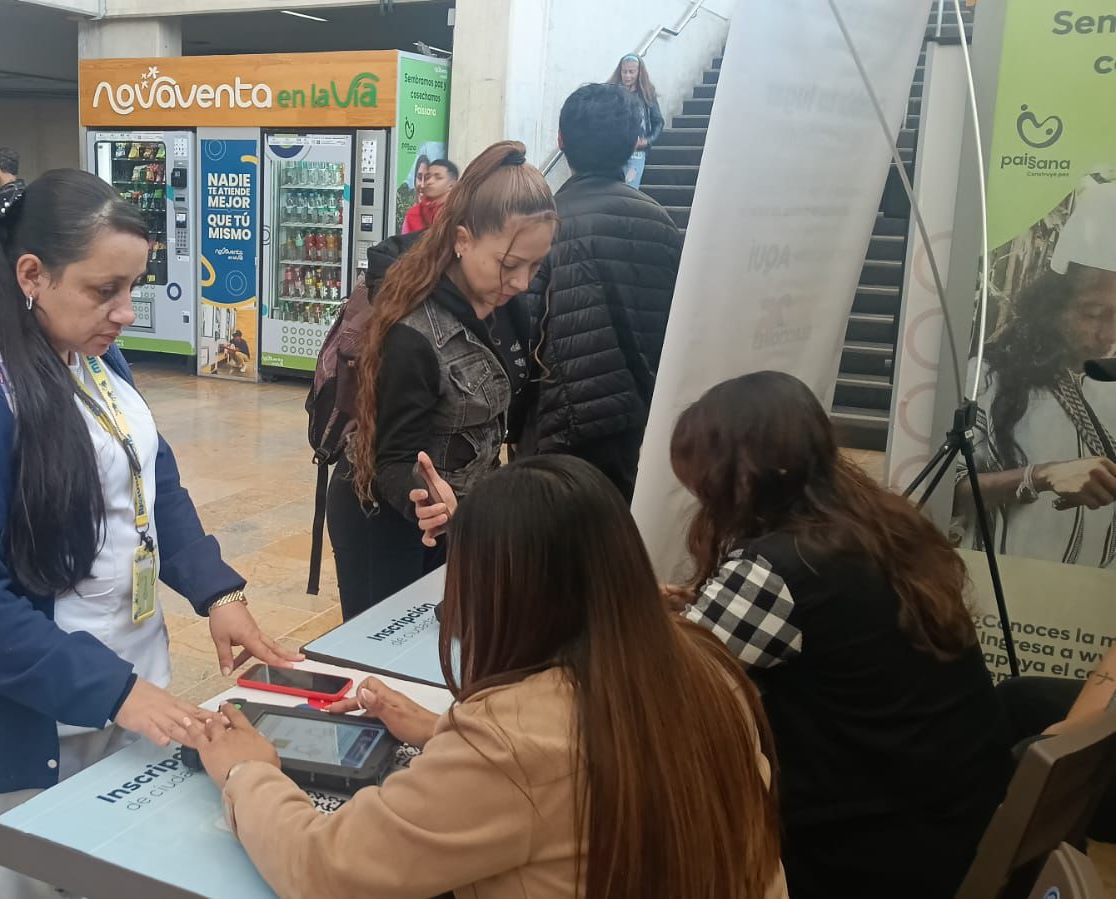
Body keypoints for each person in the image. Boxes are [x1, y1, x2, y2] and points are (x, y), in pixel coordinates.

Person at [0, 171, 299, 899]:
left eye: (133, 288)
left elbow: (149, 477)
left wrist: (215, 589)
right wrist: (113, 690)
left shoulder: (83, 349)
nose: (124, 312)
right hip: (25, 715)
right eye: (103, 289)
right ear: (32, 274)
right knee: (13, 882)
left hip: (120, 688)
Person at [187, 456, 785, 899]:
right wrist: (440, 728)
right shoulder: (704, 665)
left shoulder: (510, 742)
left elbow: (327, 869)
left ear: (500, 595)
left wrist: (248, 771)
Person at [672, 371, 1013, 899]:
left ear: (746, 468)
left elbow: (663, 687)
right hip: (962, 816)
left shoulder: (778, 567)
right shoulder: (878, 523)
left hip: (869, 851)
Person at [327, 141, 555, 619]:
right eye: (510, 265)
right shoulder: (411, 333)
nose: (522, 283)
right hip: (387, 519)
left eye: (535, 266)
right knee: (385, 661)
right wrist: (425, 501)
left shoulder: (511, 306)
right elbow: (389, 458)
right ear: (462, 239)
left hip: (462, 517)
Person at [521, 82, 682, 499]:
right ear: (633, 144)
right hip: (634, 429)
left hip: (555, 429)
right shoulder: (661, 223)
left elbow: (524, 327)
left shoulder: (543, 224)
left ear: (561, 141)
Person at [954, 178, 1116, 567]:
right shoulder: (989, 377)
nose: (1109, 335)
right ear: (1053, 306)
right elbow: (947, 490)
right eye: (1094, 314)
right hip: (1008, 602)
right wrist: (1038, 477)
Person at [607, 54, 663, 188]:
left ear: (639, 73)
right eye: (624, 71)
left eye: (631, 72)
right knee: (612, 190)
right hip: (614, 151)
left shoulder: (647, 93)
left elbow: (658, 121)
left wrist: (647, 140)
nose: (627, 76)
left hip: (636, 152)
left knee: (630, 189)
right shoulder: (612, 93)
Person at [403, 159, 460, 234]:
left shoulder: (461, 212)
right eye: (428, 177)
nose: (429, 182)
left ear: (452, 184)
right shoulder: (413, 214)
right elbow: (405, 244)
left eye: (438, 178)